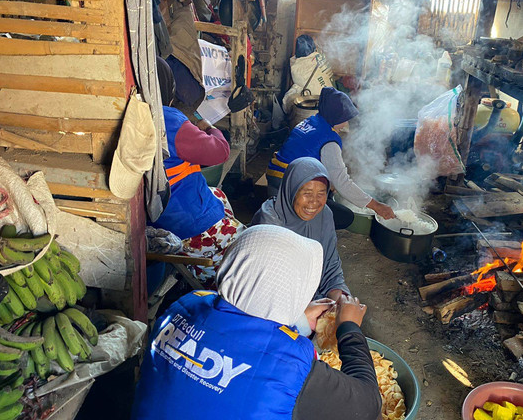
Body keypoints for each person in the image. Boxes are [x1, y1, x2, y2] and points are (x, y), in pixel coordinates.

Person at [131, 225, 382, 420]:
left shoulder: (186, 305)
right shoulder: (292, 368)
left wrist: (298, 321)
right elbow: (368, 405)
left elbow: (239, 339)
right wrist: (349, 328)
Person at [149, 56, 244, 288]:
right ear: (168, 87)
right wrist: (209, 128)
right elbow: (219, 153)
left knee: (218, 194)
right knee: (251, 249)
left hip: (160, 215)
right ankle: (218, 279)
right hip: (190, 224)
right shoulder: (167, 119)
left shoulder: (138, 114)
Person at [266, 87, 395, 228]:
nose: (346, 124)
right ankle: (301, 227)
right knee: (345, 217)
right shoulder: (329, 141)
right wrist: (376, 206)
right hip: (288, 187)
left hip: (275, 178)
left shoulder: (311, 122)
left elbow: (309, 154)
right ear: (335, 116)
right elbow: (342, 182)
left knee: (327, 191)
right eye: (344, 119)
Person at [253, 157, 350, 301]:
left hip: (309, 297)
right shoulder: (269, 223)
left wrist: (340, 295)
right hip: (274, 300)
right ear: (291, 189)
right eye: (307, 193)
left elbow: (331, 264)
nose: (314, 202)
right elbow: (267, 287)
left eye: (321, 193)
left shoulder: (325, 215)